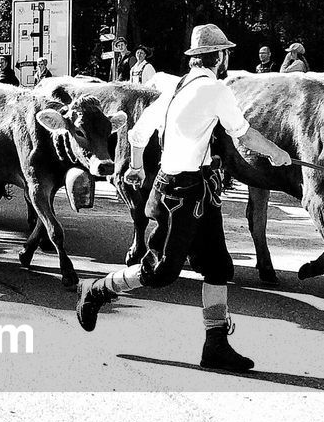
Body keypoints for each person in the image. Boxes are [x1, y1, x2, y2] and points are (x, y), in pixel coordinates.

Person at [74, 23, 292, 373]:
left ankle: (216, 344)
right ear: (219, 56)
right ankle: (97, 289)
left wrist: (138, 168)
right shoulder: (214, 89)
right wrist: (276, 152)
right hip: (179, 195)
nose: (227, 58)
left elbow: (139, 131)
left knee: (218, 267)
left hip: (195, 191)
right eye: (226, 53)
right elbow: (244, 135)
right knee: (159, 271)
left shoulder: (177, 86)